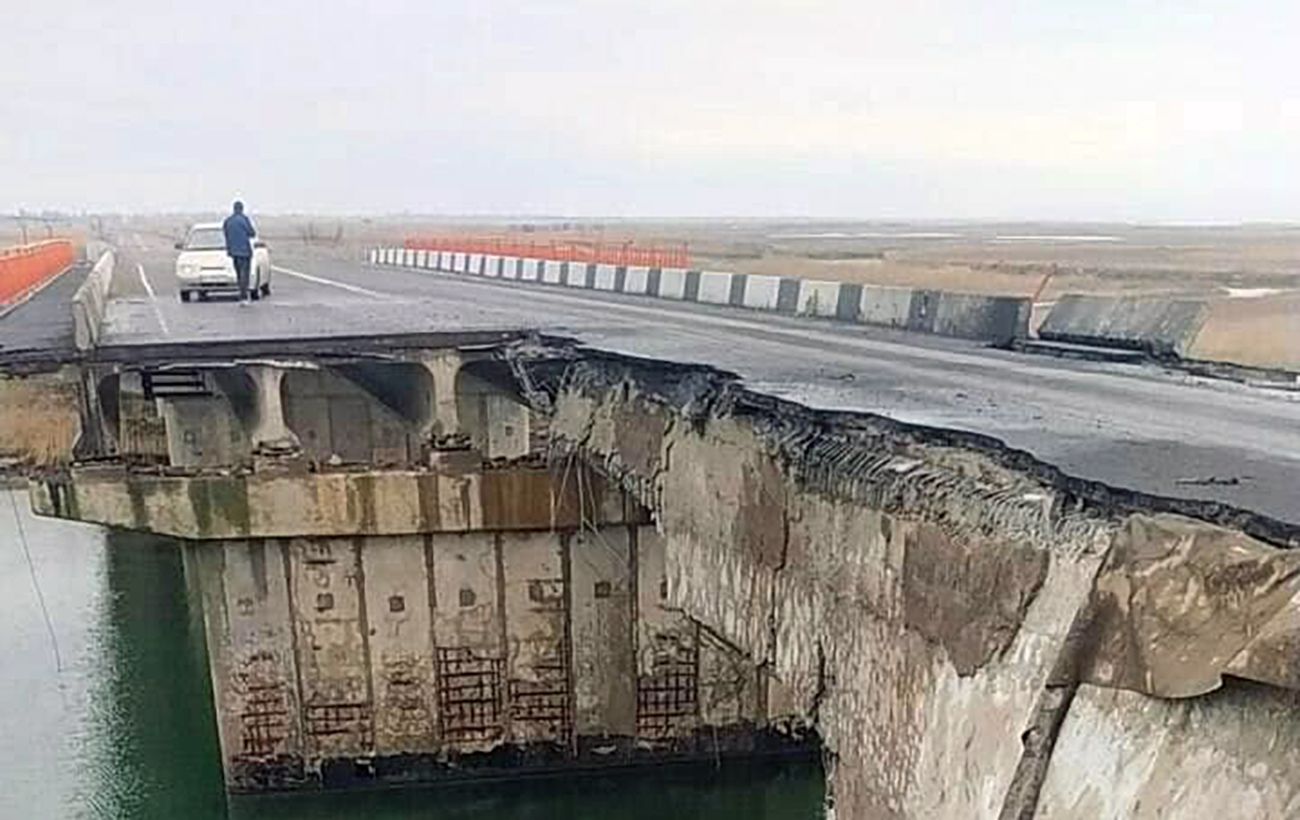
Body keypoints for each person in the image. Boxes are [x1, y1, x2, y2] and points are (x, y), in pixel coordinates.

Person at [222, 200, 257, 305]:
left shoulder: (228, 221)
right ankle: (243, 296)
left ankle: (241, 294)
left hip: (233, 252)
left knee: (238, 274)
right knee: (244, 275)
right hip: (245, 252)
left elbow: (226, 234)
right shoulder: (244, 220)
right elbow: (252, 233)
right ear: (242, 209)